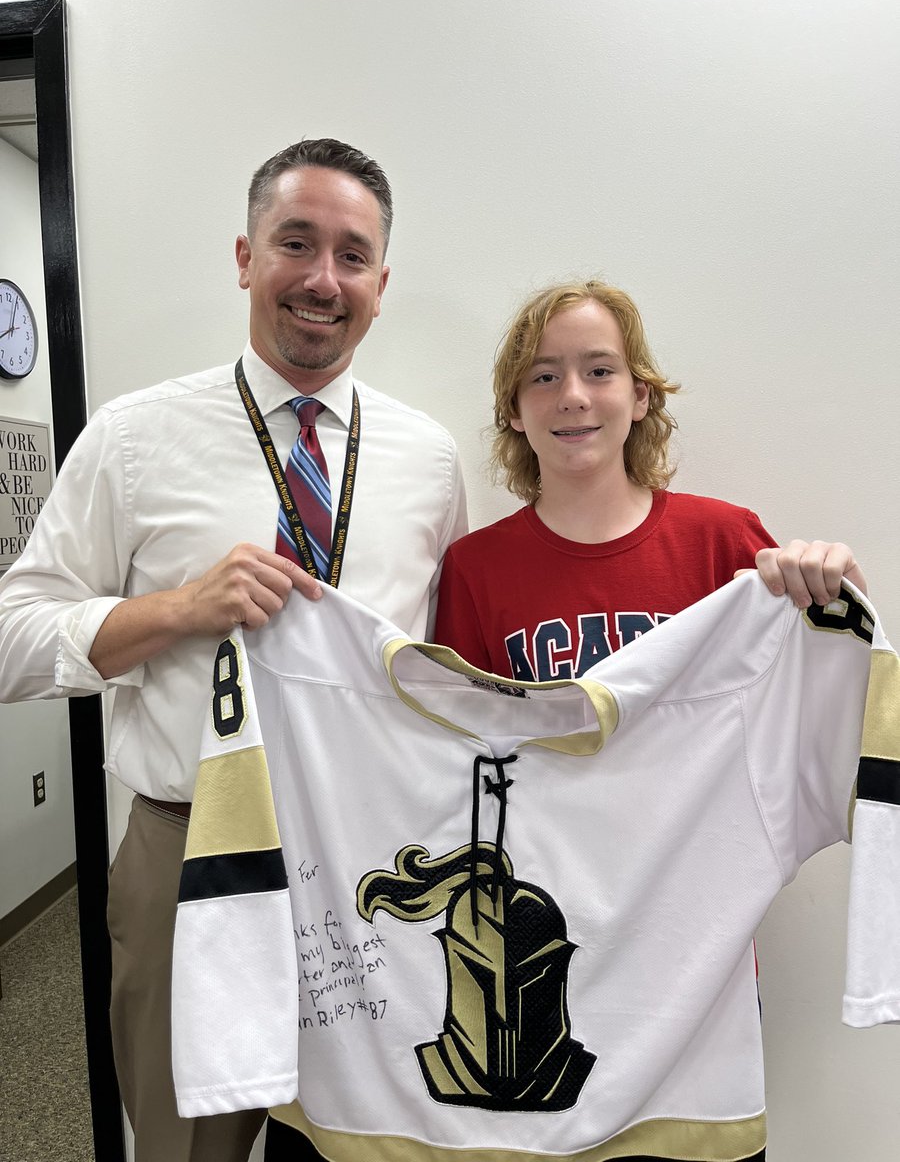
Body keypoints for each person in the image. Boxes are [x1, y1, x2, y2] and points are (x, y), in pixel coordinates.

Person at [0, 139, 466, 1162]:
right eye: (295, 243)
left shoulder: (430, 461)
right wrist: (177, 609)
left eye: (352, 255)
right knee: (186, 1147)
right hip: (188, 848)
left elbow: (436, 668)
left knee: (363, 1143)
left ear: (381, 285)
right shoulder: (132, 437)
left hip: (363, 860)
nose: (322, 277)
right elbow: (11, 639)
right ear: (246, 256)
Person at [434, 277, 866, 680]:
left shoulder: (724, 542)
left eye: (599, 371)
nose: (573, 397)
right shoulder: (474, 568)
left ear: (639, 396)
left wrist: (844, 595)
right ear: (515, 411)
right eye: (544, 377)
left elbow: (815, 688)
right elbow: (461, 739)